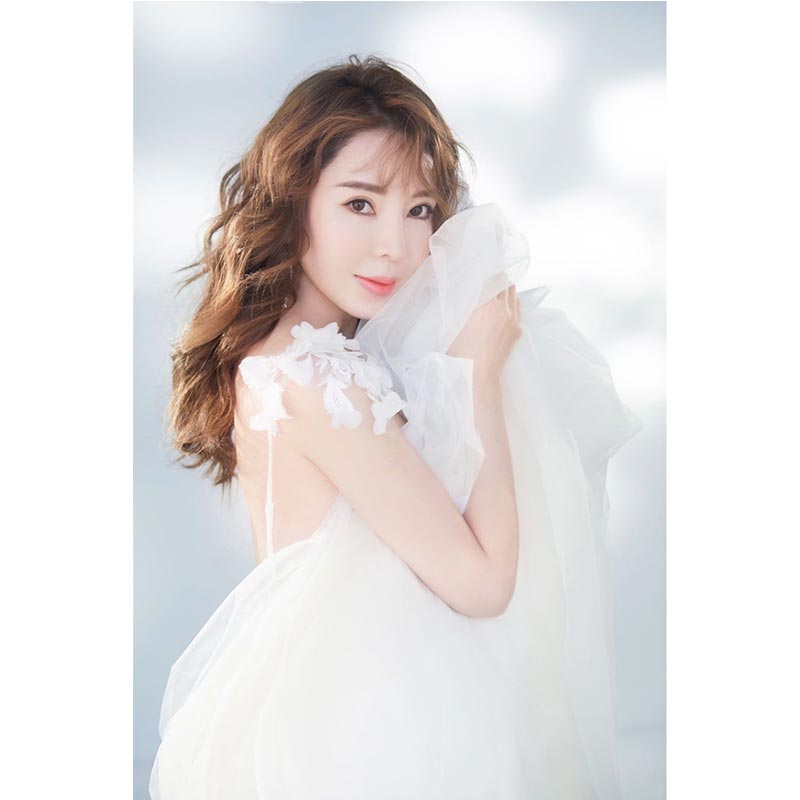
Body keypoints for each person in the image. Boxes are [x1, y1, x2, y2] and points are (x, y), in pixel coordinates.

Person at [150, 55, 643, 799]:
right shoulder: (315, 378)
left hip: (337, 710)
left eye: (419, 210)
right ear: (293, 200)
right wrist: (477, 376)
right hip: (367, 734)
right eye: (360, 203)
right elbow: (484, 584)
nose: (397, 245)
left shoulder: (294, 357)